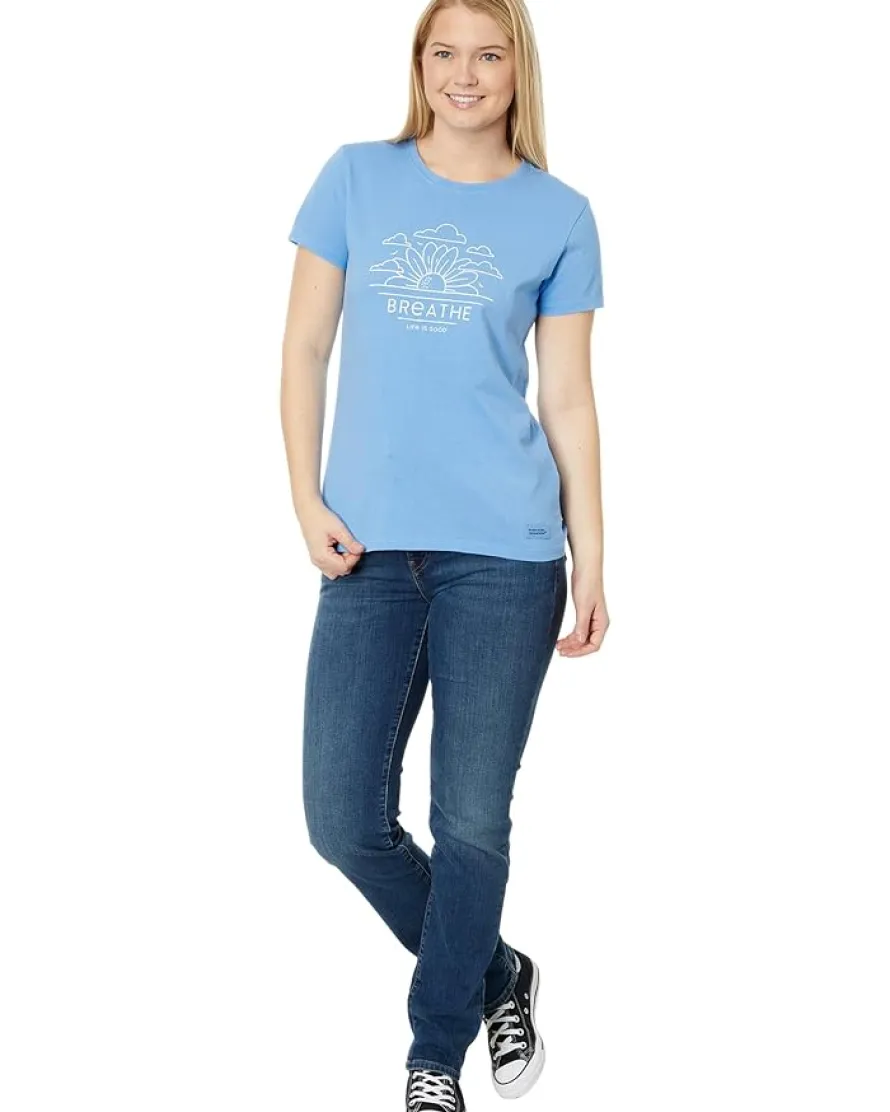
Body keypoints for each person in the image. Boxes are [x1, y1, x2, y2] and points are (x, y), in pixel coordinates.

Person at [280, 1, 609, 1108]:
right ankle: (497, 971)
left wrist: (592, 554)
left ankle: (434, 1058)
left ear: (519, 70)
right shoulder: (354, 178)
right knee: (341, 820)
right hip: (366, 550)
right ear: (418, 64)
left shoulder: (559, 213)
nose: (464, 74)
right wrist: (303, 497)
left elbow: (567, 398)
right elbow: (304, 347)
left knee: (469, 818)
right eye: (444, 53)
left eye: (488, 54)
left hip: (506, 557)